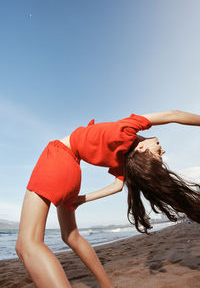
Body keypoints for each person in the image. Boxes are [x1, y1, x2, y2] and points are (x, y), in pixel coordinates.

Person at [15, 109, 200, 288]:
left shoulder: (126, 132)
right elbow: (118, 186)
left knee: (28, 244)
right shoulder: (124, 158)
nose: (162, 151)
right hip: (72, 172)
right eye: (160, 153)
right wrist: (81, 199)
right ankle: (107, 285)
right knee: (72, 236)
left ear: (142, 148)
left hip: (58, 158)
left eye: (157, 153)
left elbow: (173, 115)